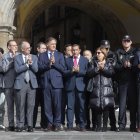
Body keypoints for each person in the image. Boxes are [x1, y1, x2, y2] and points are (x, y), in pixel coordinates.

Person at [38, 37, 65, 132]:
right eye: (52, 44)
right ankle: (49, 123)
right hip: (45, 83)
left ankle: (57, 123)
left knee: (57, 105)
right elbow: (39, 68)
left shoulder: (60, 55)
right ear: (47, 45)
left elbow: (63, 69)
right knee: (47, 105)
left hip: (57, 83)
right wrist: (48, 64)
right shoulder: (42, 55)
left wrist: (54, 63)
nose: (54, 45)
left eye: (55, 44)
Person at [87, 47, 115, 132]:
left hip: (106, 89)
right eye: (97, 53)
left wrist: (103, 68)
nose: (97, 54)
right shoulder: (93, 63)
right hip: (96, 88)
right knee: (97, 107)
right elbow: (89, 73)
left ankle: (105, 126)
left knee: (106, 107)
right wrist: (97, 69)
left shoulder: (109, 63)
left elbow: (111, 73)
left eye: (99, 53)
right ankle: (98, 126)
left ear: (104, 54)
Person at [14, 41, 38, 132]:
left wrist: (31, 63)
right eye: (27, 48)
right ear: (22, 49)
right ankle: (20, 125)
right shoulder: (17, 58)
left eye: (30, 48)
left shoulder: (34, 57)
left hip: (31, 84)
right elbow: (17, 70)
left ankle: (30, 125)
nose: (29, 49)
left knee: (31, 105)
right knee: (20, 105)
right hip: (21, 83)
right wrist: (27, 64)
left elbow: (36, 69)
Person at [64, 44, 88, 131]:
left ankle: (82, 125)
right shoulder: (67, 60)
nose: (74, 52)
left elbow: (87, 72)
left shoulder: (85, 60)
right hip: (70, 86)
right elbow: (64, 72)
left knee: (81, 106)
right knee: (70, 107)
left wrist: (78, 71)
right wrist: (71, 71)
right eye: (73, 50)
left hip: (81, 86)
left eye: (76, 50)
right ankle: (70, 125)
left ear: (79, 50)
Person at [115, 35, 137, 132]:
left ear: (131, 42)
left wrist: (131, 65)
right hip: (122, 81)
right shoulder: (118, 52)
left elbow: (137, 66)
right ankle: (121, 124)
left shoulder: (135, 52)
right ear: (122, 42)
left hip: (132, 81)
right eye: (125, 41)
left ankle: (133, 125)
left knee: (133, 105)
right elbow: (115, 66)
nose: (126, 42)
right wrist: (123, 66)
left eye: (128, 41)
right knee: (122, 104)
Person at [100, 40, 117, 131]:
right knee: (102, 104)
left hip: (111, 82)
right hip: (101, 82)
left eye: (107, 47)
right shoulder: (98, 54)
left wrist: (105, 61)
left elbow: (113, 65)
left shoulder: (112, 55)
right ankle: (101, 125)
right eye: (104, 47)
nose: (106, 49)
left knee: (110, 105)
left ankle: (113, 124)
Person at [2, 40, 19, 131]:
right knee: (10, 106)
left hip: (19, 84)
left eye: (16, 45)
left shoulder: (20, 55)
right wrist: (12, 61)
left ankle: (19, 124)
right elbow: (4, 69)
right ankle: (11, 124)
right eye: (13, 45)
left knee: (19, 105)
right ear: (9, 47)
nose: (15, 47)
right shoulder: (5, 57)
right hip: (8, 84)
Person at [33, 42, 47, 129]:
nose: (45, 50)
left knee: (45, 105)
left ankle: (44, 124)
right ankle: (32, 124)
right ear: (38, 49)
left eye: (45, 49)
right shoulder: (34, 57)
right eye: (43, 48)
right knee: (34, 106)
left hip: (44, 85)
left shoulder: (47, 58)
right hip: (35, 85)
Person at [61, 44, 73, 129]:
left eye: (72, 50)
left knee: (70, 105)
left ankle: (71, 123)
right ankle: (61, 122)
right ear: (65, 51)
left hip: (71, 85)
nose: (71, 52)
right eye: (69, 50)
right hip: (62, 85)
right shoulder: (62, 60)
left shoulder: (75, 60)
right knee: (62, 105)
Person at [83, 50, 93, 130]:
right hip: (84, 87)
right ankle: (87, 123)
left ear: (91, 56)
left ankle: (95, 123)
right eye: (84, 55)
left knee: (93, 106)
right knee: (85, 107)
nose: (86, 56)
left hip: (92, 87)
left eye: (88, 55)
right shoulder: (82, 63)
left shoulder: (93, 63)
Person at [0, 48, 6, 130]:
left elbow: (4, 69)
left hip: (2, 86)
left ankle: (0, 123)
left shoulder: (4, 61)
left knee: (1, 106)